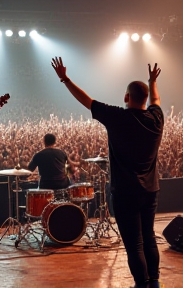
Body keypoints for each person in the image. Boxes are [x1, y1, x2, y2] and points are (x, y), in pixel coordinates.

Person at [51, 57, 164, 288]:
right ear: (145, 100)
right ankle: (155, 282)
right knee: (149, 237)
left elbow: (87, 101)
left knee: (134, 243)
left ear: (126, 97)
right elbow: (157, 99)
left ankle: (142, 283)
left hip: (125, 192)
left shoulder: (118, 117)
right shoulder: (156, 119)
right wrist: (152, 82)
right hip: (151, 190)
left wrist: (65, 78)